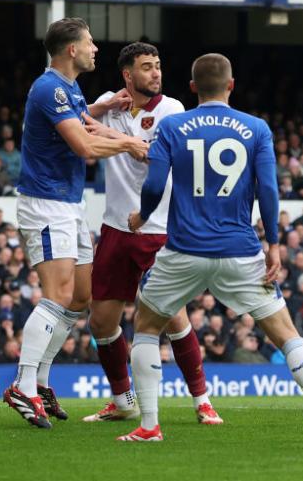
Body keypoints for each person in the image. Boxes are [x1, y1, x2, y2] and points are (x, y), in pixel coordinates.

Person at [121, 53, 303, 442]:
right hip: (240, 251)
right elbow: (267, 190)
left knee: (147, 327)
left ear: (194, 87)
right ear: (231, 85)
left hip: (183, 250)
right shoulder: (255, 129)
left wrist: (142, 216)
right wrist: (275, 244)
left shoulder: (173, 125)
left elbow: (153, 185)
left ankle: (149, 425)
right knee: (286, 334)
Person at [4, 18, 148, 429]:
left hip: (68, 203)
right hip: (45, 205)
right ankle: (21, 384)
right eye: (89, 43)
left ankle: (41, 380)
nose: (95, 49)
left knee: (81, 296)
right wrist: (127, 143)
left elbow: (80, 119)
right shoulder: (50, 87)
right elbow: (83, 145)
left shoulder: (67, 89)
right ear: (71, 49)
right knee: (58, 292)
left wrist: (100, 108)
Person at [82, 42, 222, 425]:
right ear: (128, 74)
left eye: (157, 65)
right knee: (102, 323)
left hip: (157, 228)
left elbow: (148, 154)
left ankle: (202, 401)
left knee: (173, 317)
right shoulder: (109, 103)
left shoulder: (172, 109)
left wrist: (103, 134)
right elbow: (72, 126)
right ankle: (122, 400)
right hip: (114, 227)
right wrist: (99, 113)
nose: (156, 73)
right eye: (147, 67)